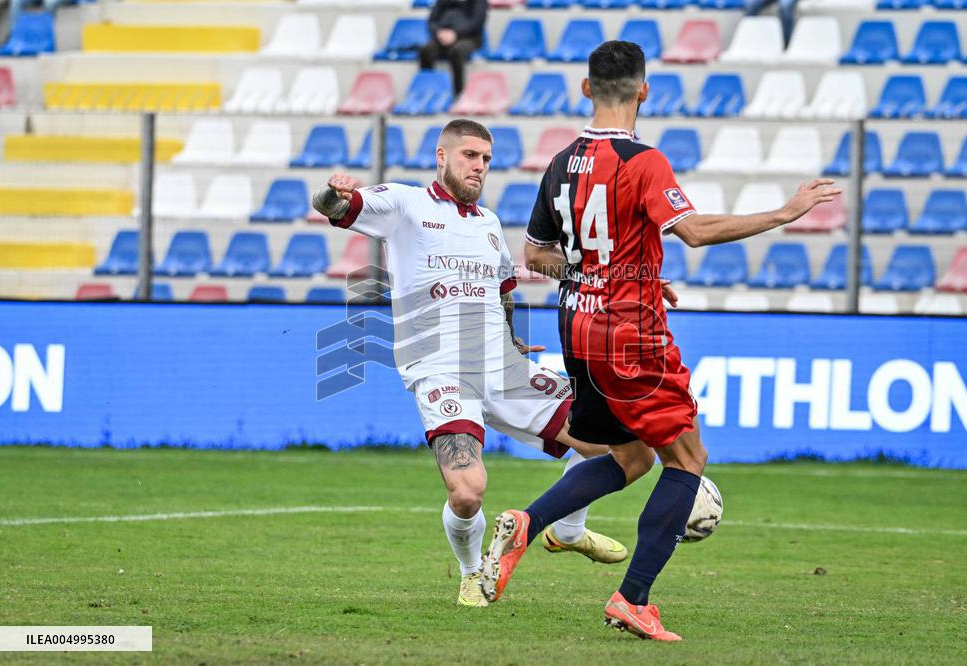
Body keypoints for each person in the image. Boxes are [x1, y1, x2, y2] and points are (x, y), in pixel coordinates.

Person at [479, 41, 839, 639]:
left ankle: (527, 521)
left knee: (630, 455)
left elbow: (536, 255)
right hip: (629, 333)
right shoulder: (645, 161)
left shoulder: (561, 162)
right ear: (645, 91)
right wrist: (783, 212)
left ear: (585, 88)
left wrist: (614, 274)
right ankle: (633, 598)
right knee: (688, 459)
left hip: (577, 324)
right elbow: (694, 232)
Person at [313, 119, 665, 608]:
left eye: (485, 159)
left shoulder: (489, 224)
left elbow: (501, 294)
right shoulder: (405, 204)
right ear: (442, 156)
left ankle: (567, 531)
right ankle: (471, 569)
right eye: (469, 156)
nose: (479, 166)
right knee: (468, 492)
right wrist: (333, 193)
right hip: (439, 369)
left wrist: (513, 342)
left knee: (619, 446)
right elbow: (336, 208)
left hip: (503, 368)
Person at [418, 0, 487, 97]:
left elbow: (477, 21)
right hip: (441, 37)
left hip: (468, 38)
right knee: (426, 50)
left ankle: (459, 95)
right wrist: (439, 32)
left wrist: (456, 33)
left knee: (457, 51)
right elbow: (432, 21)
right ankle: (426, 92)